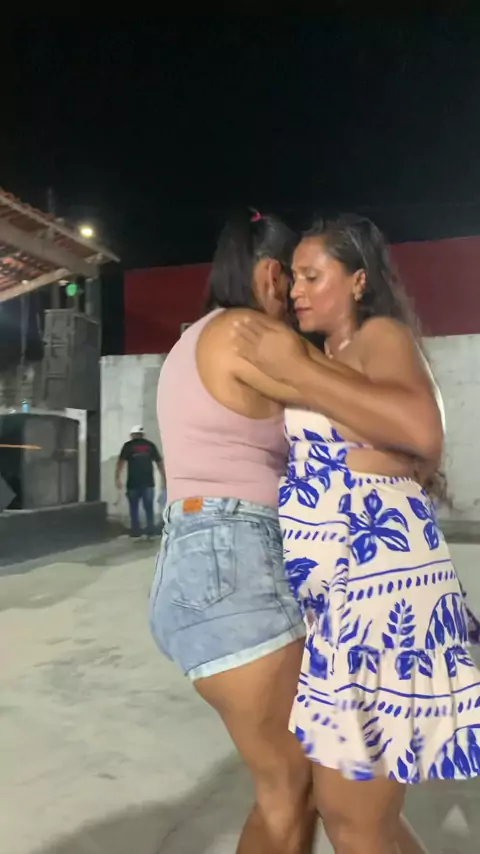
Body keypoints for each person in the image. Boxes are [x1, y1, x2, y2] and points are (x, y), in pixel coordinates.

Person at [150, 210, 429, 854]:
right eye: (295, 279)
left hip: (198, 560)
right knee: (295, 791)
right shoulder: (249, 332)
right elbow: (354, 407)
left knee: (303, 790)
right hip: (235, 560)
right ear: (272, 274)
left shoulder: (194, 339)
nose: (297, 298)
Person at [231, 213, 480, 854]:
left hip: (379, 599)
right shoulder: (328, 359)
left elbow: (421, 431)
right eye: (293, 279)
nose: (297, 291)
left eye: (313, 277)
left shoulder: (379, 335)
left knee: (352, 819)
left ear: (359, 281)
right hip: (339, 608)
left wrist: (297, 367)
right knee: (355, 819)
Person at [116, 426, 164, 539]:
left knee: (134, 508)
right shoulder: (150, 445)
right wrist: (164, 477)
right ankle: (150, 530)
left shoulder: (128, 446)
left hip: (133, 482)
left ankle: (136, 531)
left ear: (132, 434)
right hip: (148, 482)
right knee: (149, 508)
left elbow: (120, 463)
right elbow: (159, 462)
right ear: (143, 435)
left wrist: (117, 478)